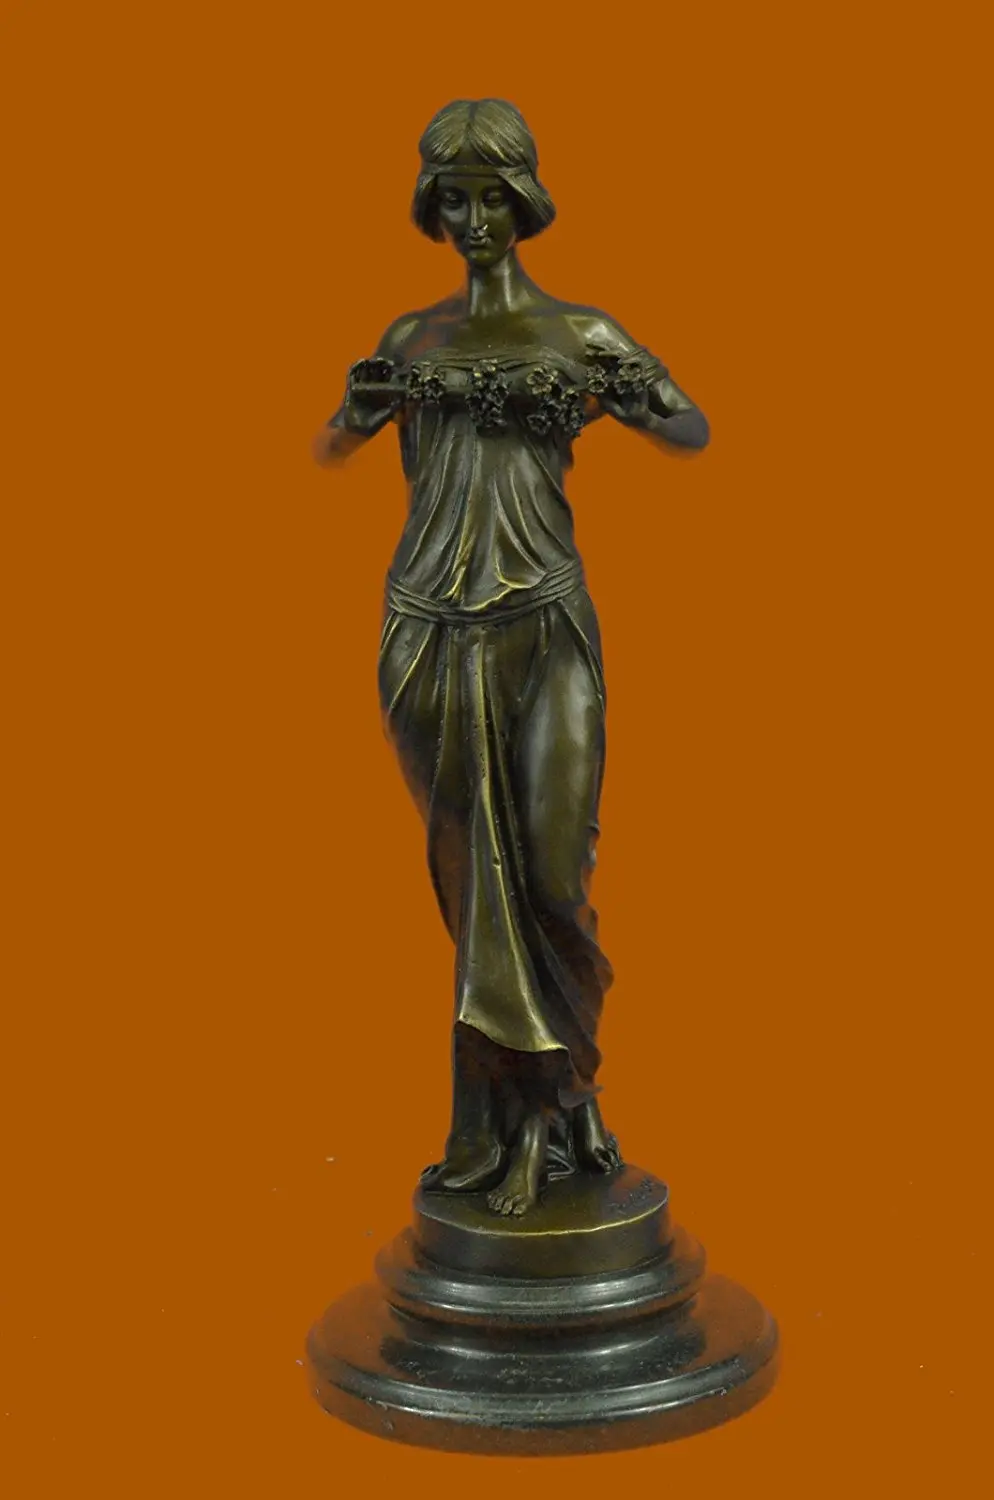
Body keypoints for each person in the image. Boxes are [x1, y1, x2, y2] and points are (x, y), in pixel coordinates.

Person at [314, 98, 709, 1216]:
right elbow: (333, 443)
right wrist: (352, 417)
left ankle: (566, 1099)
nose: (476, 220)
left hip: (545, 621)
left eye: (494, 197)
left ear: (527, 203)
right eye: (455, 199)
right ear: (432, 208)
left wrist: (628, 392)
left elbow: (689, 428)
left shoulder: (579, 330)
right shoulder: (411, 339)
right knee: (474, 888)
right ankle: (515, 1123)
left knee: (549, 874)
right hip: (428, 633)